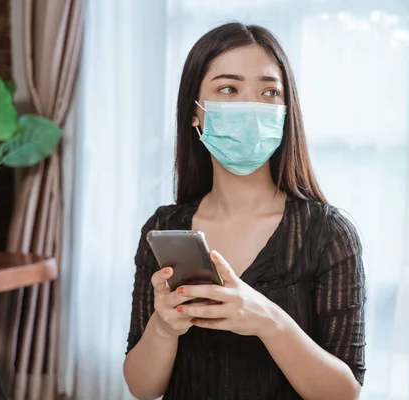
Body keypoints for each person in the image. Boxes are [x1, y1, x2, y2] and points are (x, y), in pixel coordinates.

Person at [123, 22, 366, 400]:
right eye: (228, 89)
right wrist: (164, 326)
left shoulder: (329, 234)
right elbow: (142, 387)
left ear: (286, 112)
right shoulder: (164, 228)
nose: (250, 108)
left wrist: (268, 320)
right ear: (195, 113)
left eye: (270, 92)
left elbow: (344, 393)